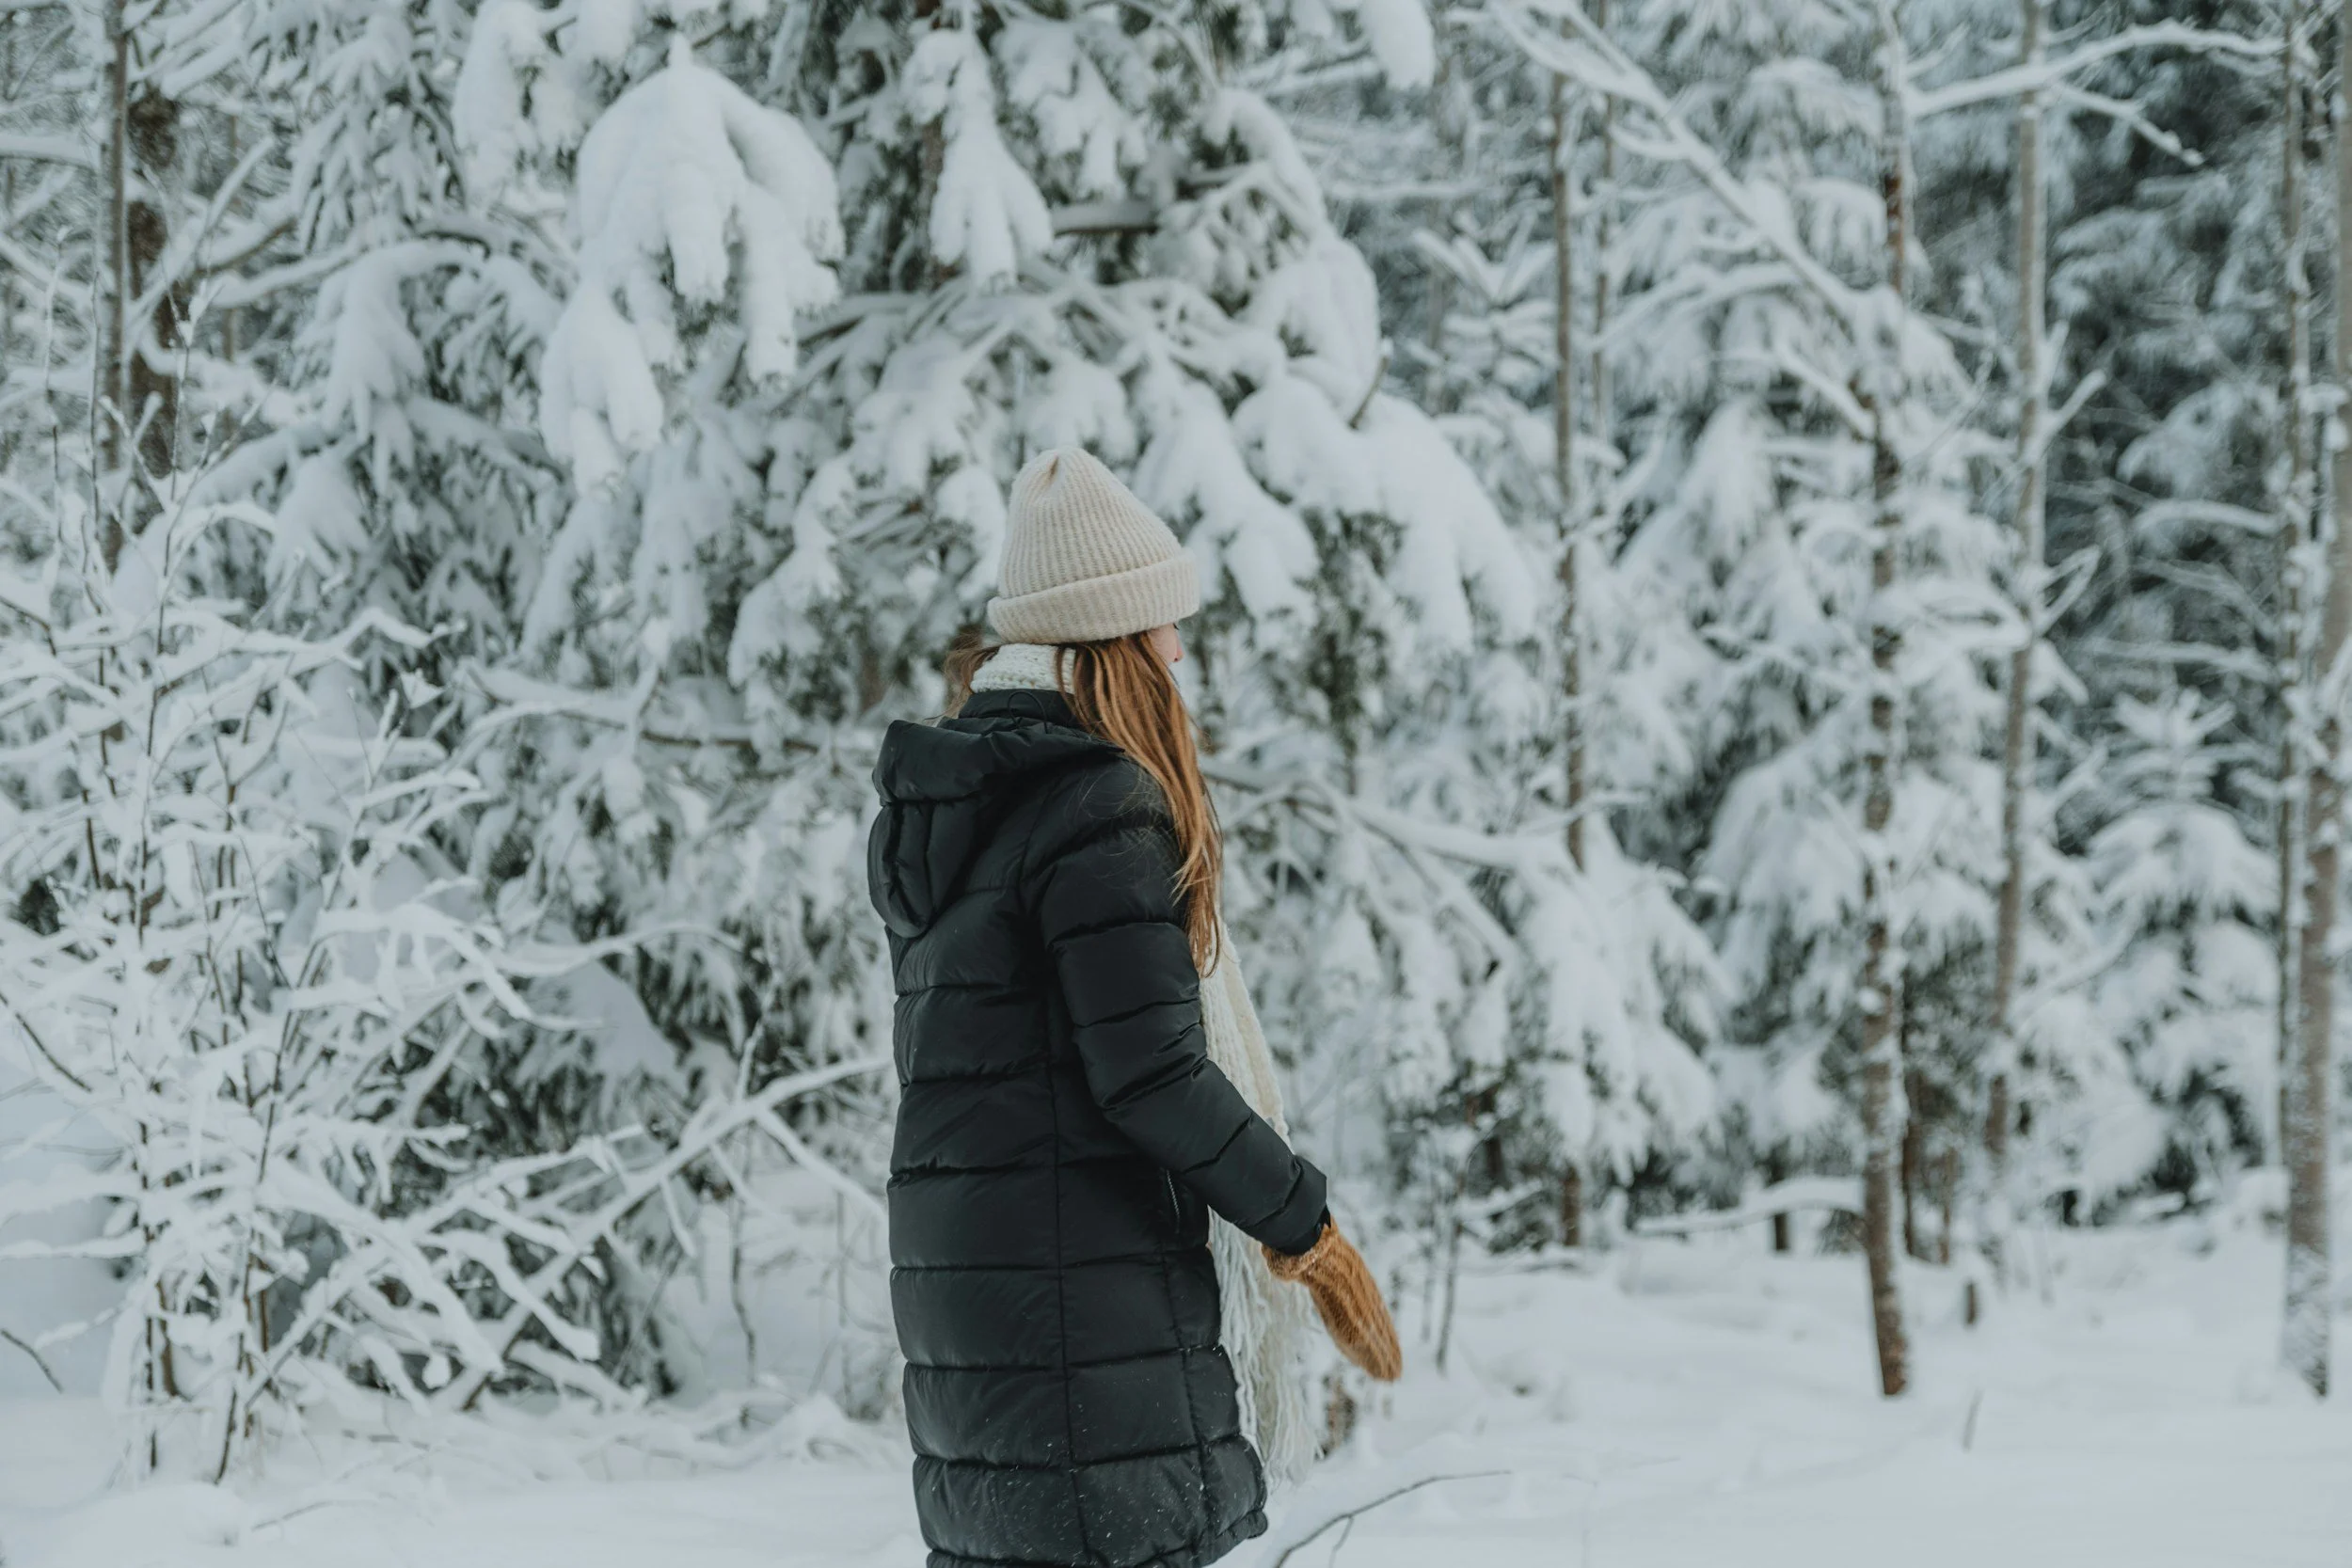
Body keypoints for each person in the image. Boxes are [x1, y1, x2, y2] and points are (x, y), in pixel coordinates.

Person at [867, 448, 1402, 1568]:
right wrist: (1304, 1225)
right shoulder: (1095, 805)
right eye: (1163, 627)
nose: (1178, 652)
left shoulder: (961, 811)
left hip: (977, 1317)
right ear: (1111, 642)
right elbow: (1152, 1073)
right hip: (1083, 1318)